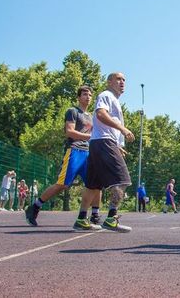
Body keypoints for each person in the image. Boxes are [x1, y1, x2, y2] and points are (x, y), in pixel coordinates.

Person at [26, 86, 103, 230]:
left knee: (96, 184)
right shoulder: (73, 111)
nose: (88, 97)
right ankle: (35, 207)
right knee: (62, 184)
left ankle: (95, 216)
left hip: (88, 153)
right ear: (78, 97)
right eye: (85, 94)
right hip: (74, 150)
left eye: (90, 95)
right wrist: (90, 137)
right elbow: (69, 132)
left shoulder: (92, 116)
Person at [81, 72, 135, 232]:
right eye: (118, 79)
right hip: (104, 142)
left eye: (124, 79)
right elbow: (100, 114)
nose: (122, 82)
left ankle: (81, 219)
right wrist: (122, 129)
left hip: (98, 143)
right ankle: (111, 218)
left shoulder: (114, 100)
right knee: (123, 180)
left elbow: (103, 124)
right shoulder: (106, 95)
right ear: (109, 81)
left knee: (93, 185)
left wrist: (117, 145)